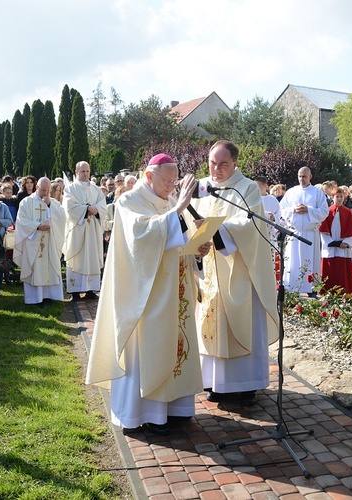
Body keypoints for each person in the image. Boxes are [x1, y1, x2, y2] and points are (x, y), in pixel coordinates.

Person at [87, 153, 210, 435]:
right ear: (149, 176)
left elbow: (176, 244)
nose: (171, 185)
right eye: (167, 180)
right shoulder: (129, 201)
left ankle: (176, 408)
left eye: (175, 180)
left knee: (175, 344)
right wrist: (178, 209)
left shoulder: (169, 202)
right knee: (146, 350)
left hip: (174, 291)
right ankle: (145, 414)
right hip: (144, 296)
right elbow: (141, 240)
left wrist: (196, 250)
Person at [192, 140, 279, 405]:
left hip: (238, 270)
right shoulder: (201, 187)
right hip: (208, 270)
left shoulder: (247, 188)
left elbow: (250, 224)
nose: (216, 169)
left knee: (241, 324)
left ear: (235, 164)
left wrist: (215, 230)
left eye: (223, 164)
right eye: (212, 163)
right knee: (208, 324)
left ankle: (244, 384)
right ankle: (213, 382)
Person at [13, 177, 66, 305]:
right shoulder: (26, 202)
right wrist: (36, 226)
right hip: (33, 241)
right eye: (43, 190)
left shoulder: (53, 202)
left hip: (50, 241)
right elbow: (21, 221)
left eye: (48, 190)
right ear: (37, 187)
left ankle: (51, 296)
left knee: (50, 265)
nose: (46, 193)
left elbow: (62, 218)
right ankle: (35, 298)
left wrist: (49, 205)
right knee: (35, 267)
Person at [279, 167, 329, 296]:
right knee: (293, 261)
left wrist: (309, 210)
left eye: (304, 176)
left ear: (310, 176)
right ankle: (292, 288)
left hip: (310, 233)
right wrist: (293, 210)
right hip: (294, 233)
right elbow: (282, 210)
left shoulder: (317, 193)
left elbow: (324, 212)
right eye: (300, 176)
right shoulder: (291, 192)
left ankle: (311, 288)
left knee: (310, 261)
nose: (301, 179)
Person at [62, 161, 106, 300]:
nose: (85, 174)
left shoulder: (96, 189)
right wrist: (86, 209)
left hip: (92, 229)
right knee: (78, 257)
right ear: (76, 172)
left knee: (92, 257)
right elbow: (69, 207)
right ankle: (75, 291)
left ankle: (91, 289)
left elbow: (103, 205)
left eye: (87, 171)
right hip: (77, 229)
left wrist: (97, 209)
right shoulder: (71, 189)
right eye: (82, 171)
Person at [319, 187, 352, 294]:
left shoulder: (348, 212)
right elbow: (323, 230)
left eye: (341, 196)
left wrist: (346, 242)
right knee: (330, 270)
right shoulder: (327, 212)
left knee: (343, 272)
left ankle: (345, 292)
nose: (339, 199)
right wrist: (332, 242)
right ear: (332, 198)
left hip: (343, 247)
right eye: (337, 196)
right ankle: (328, 292)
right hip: (331, 247)